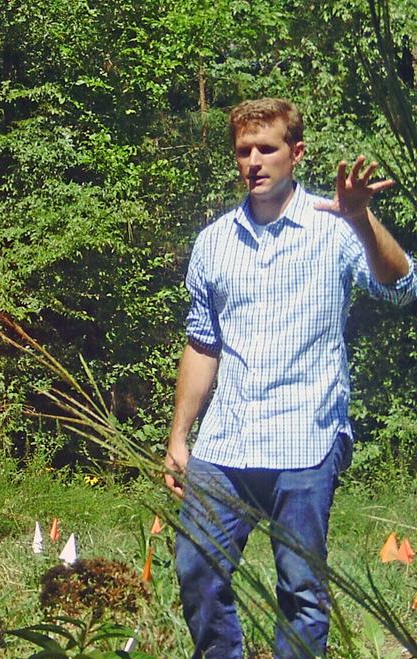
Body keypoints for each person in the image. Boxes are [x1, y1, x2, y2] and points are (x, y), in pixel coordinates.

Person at [164, 97, 416, 658]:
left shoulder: (336, 230)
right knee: (196, 571)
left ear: (295, 154)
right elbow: (202, 343)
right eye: (243, 151)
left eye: (267, 149)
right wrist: (180, 434)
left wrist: (360, 217)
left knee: (301, 590)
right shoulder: (214, 242)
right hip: (226, 441)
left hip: (306, 439)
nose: (254, 161)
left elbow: (403, 288)